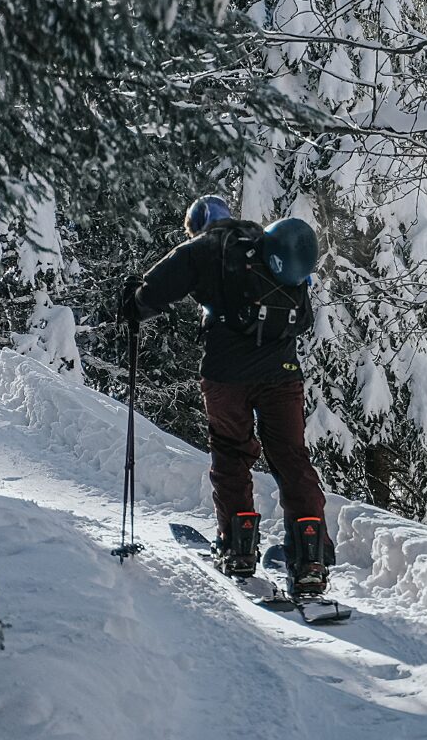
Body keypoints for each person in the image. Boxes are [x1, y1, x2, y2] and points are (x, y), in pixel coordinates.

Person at [119, 195, 333, 597]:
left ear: (197, 224)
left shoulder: (203, 247)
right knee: (291, 458)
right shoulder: (267, 244)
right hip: (282, 373)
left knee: (231, 453)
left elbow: (156, 290)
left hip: (226, 375)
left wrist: (134, 304)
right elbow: (302, 318)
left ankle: (238, 549)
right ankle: (310, 560)